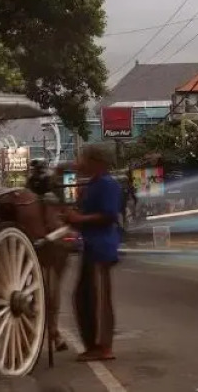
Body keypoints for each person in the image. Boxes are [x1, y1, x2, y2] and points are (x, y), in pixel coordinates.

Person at [65, 145, 122, 362]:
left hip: (101, 247)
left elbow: (109, 215)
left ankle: (102, 346)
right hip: (90, 246)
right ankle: (93, 345)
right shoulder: (92, 184)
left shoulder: (107, 184)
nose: (80, 164)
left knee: (98, 299)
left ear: (96, 162)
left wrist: (80, 219)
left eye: (84, 159)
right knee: (84, 297)